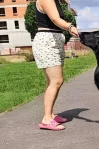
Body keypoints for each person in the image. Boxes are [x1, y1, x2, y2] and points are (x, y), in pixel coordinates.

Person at [32, 0, 78, 130]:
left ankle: (50, 115)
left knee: (52, 81)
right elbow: (55, 18)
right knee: (56, 80)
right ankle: (47, 119)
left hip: (54, 40)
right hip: (47, 42)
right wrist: (70, 27)